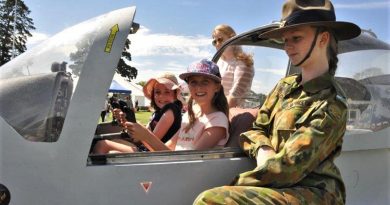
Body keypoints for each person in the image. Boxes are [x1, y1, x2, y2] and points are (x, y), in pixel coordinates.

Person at [194, 0, 361, 204]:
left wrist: (236, 183)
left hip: (314, 192)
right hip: (277, 184)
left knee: (210, 200)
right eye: (285, 40)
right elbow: (255, 130)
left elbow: (289, 168)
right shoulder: (284, 87)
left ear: (323, 38)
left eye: (296, 38)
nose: (287, 47)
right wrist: (264, 149)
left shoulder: (331, 102)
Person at [125, 59, 229, 151]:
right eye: (193, 82)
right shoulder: (190, 115)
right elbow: (167, 148)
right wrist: (143, 135)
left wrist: (146, 136)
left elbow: (190, 162)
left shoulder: (217, 121)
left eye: (205, 82)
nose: (198, 87)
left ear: (217, 87)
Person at [93, 72, 183, 154]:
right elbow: (137, 139)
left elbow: (150, 141)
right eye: (157, 92)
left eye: (167, 92)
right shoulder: (157, 113)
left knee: (102, 145)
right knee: (113, 142)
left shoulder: (171, 109)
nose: (161, 96)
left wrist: (137, 129)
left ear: (175, 94)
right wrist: (125, 121)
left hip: (153, 154)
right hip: (146, 149)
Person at [212, 24, 254, 108]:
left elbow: (234, 98)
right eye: (214, 41)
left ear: (232, 38)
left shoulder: (243, 63)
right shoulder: (216, 62)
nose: (217, 44)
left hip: (230, 115)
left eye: (220, 39)